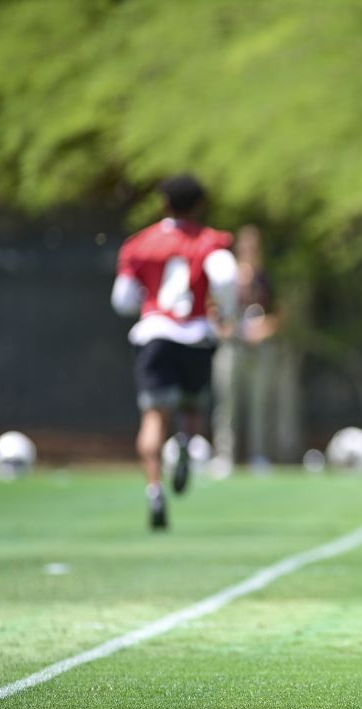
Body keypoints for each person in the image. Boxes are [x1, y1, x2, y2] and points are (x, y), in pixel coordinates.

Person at [110, 175, 237, 530]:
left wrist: (145, 302)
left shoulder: (140, 243)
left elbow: (122, 299)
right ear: (198, 205)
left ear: (164, 204)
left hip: (155, 333)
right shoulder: (210, 241)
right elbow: (225, 279)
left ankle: (154, 487)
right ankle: (184, 444)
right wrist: (225, 313)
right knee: (192, 409)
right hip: (196, 334)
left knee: (153, 418)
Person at [209, 224, 281, 478]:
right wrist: (225, 329)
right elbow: (214, 310)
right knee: (226, 404)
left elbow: (277, 313)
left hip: (258, 349)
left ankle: (258, 454)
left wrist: (264, 329)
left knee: (259, 403)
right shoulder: (227, 277)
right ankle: (224, 455)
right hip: (232, 347)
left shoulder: (264, 278)